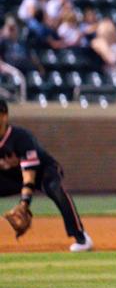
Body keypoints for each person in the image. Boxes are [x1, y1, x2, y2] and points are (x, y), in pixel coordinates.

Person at [0, 100, 93, 252]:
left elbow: (29, 175)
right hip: (14, 177)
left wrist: (25, 203)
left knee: (54, 188)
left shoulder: (20, 138)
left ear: (4, 116)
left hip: (44, 171)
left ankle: (81, 238)